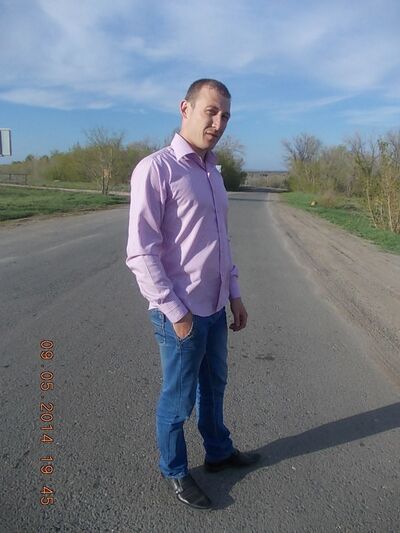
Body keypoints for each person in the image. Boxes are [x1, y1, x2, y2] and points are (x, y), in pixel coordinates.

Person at [126, 79, 260, 510]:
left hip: (215, 306)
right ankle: (175, 470)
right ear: (186, 108)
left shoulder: (212, 172)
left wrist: (234, 294)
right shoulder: (157, 169)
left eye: (225, 116)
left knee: (214, 385)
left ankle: (218, 452)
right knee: (179, 399)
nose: (218, 123)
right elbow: (141, 253)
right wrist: (177, 314)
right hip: (180, 312)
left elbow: (221, 241)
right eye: (211, 112)